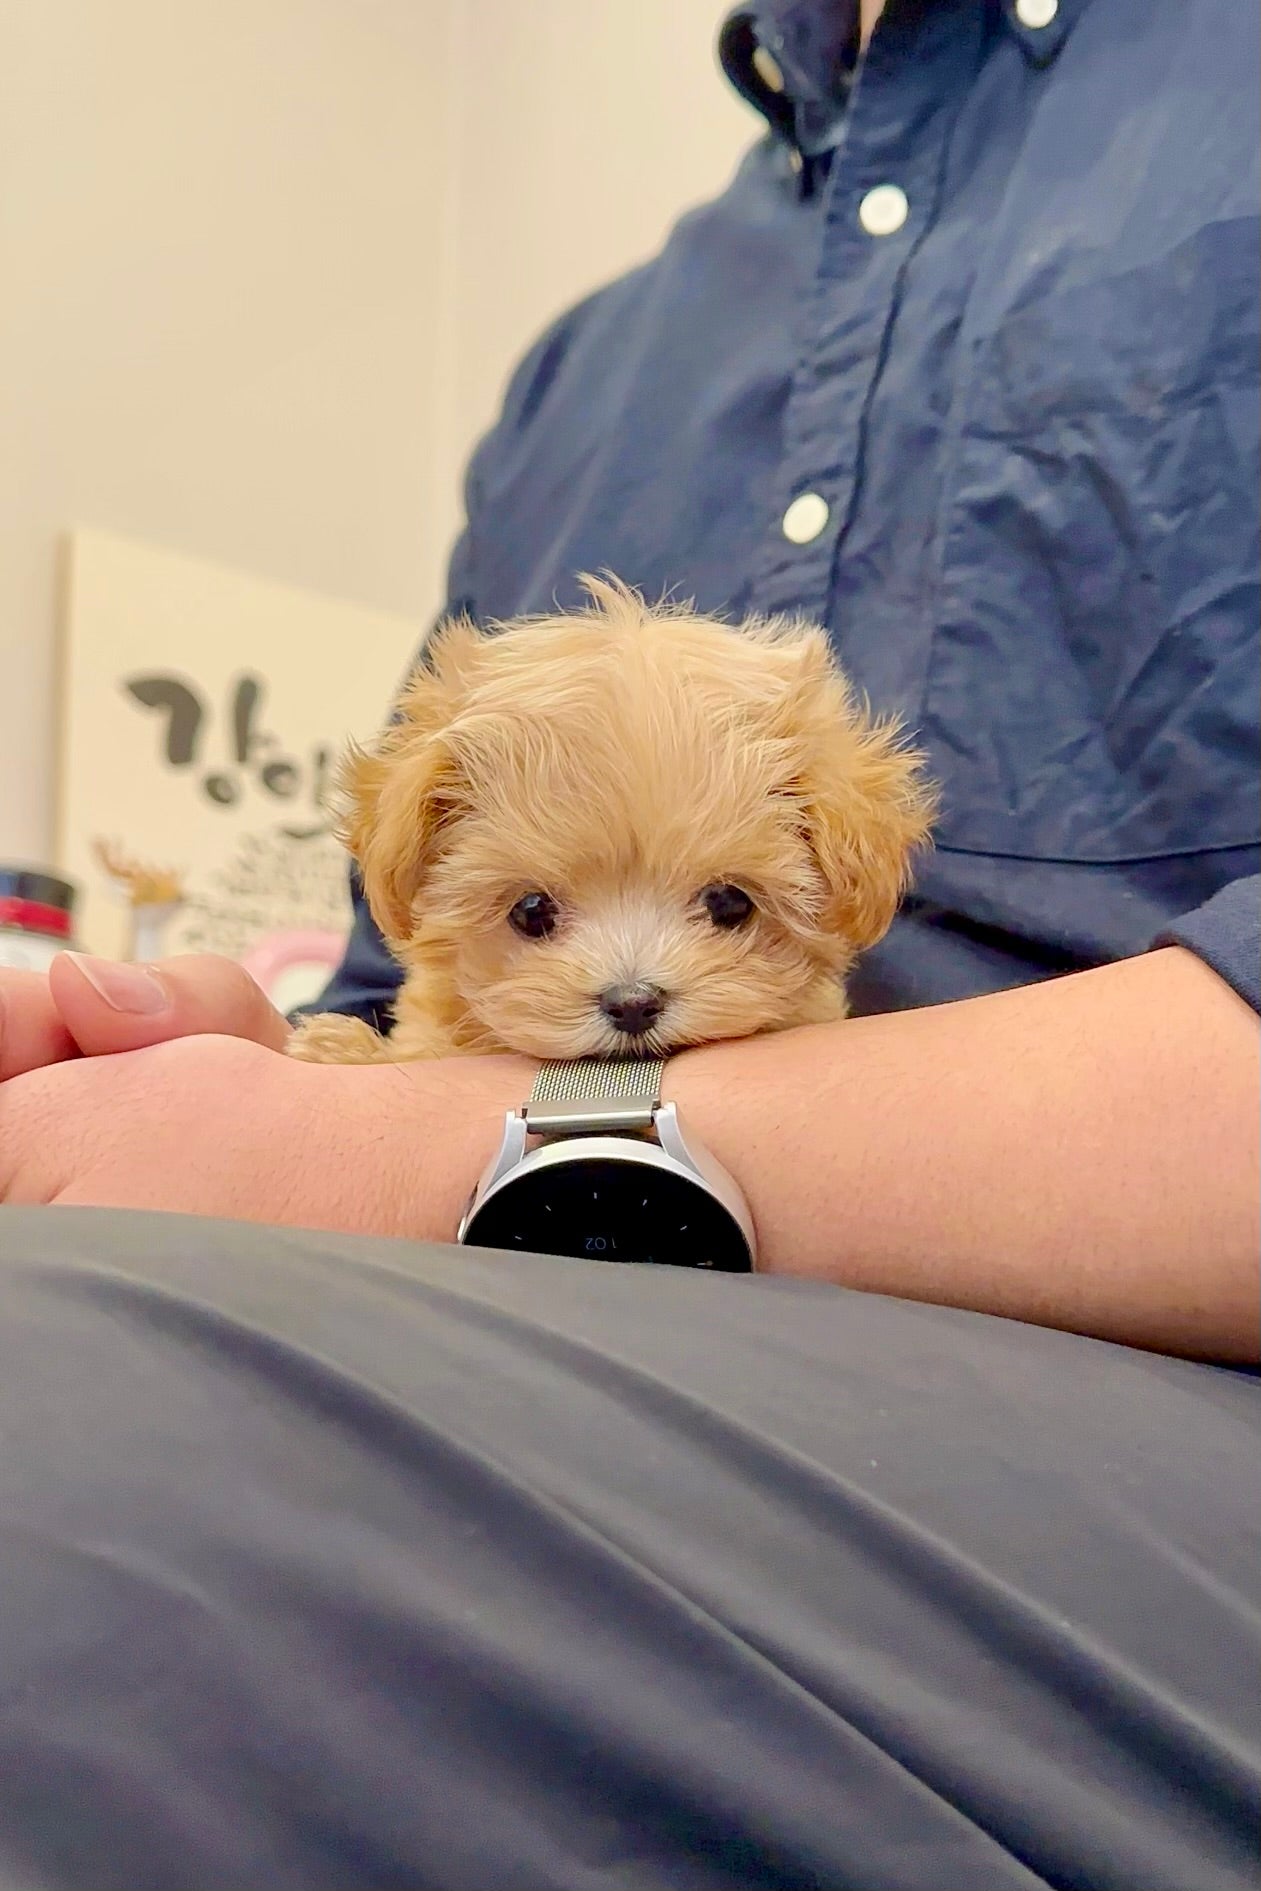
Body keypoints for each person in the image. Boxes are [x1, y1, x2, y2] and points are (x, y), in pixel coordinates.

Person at [0, 1, 1257, 1884]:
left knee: (60, 1439)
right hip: (521, 1337)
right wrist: (229, 1077)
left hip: (1128, 1393)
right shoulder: (595, 362)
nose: (637, 970)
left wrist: (439, 1161)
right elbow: (400, 973)